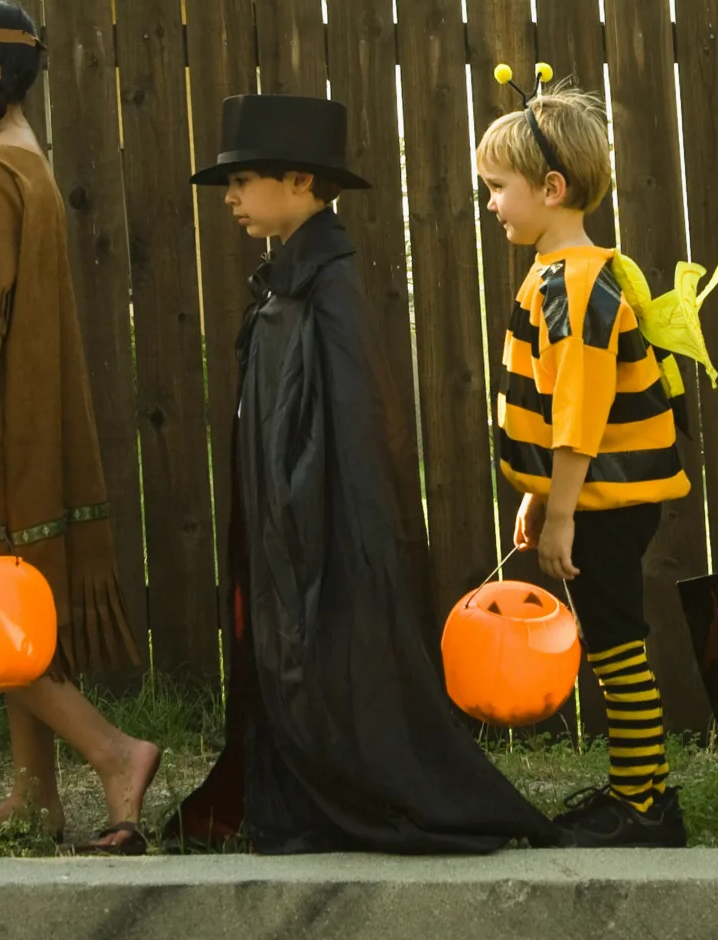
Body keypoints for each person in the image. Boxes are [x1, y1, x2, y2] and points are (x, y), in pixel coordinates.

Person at [165, 93, 558, 854]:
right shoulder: (287, 278)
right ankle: (294, 793)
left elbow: (354, 425)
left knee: (322, 658)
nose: (233, 198)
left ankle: (339, 791)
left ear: (304, 183)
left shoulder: (328, 283)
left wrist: (316, 525)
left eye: (244, 180)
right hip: (283, 517)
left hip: (320, 525)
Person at [0, 0, 159, 855]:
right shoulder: (29, 159)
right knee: (15, 599)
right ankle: (33, 795)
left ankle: (115, 752)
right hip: (39, 415)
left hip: (3, 420)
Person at [481, 76, 710, 847]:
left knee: (616, 648)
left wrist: (564, 511)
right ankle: (635, 790)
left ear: (550, 188)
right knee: (614, 642)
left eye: (498, 188)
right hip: (593, 497)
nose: (491, 205)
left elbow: (580, 415)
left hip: (605, 502)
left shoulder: (574, 286)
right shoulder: (564, 273)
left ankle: (644, 810)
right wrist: (544, 497)